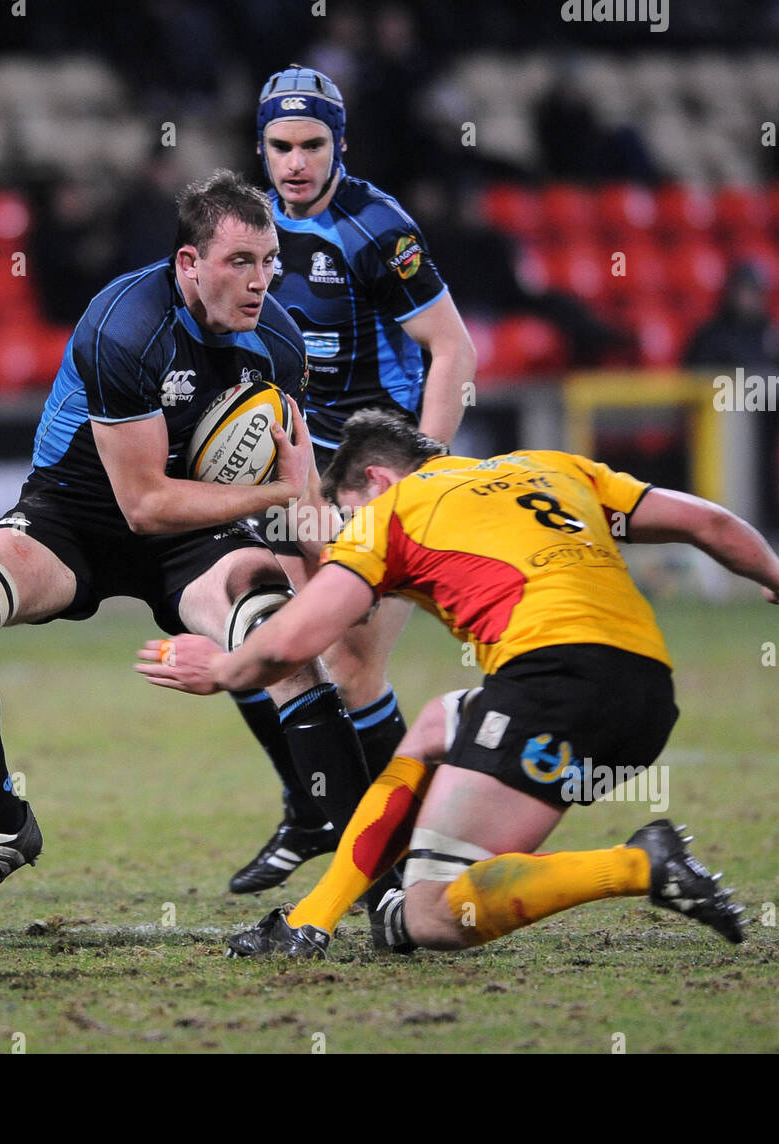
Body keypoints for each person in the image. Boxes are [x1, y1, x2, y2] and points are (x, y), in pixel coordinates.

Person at [137, 410, 779, 956]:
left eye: (346, 513)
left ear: (376, 481)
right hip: (643, 689)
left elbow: (295, 639)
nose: (345, 531)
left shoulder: (388, 515)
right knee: (437, 726)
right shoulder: (552, 469)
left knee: (432, 915)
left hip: (556, 688)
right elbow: (708, 522)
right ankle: (312, 922)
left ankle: (639, 864)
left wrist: (220, 669)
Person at [0, 170, 375, 923]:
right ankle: (5, 824)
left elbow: (297, 496)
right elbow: (143, 505)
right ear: (189, 264)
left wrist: (330, 584)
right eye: (240, 263)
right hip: (78, 516)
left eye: (270, 263)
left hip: (198, 533)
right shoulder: (124, 326)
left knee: (283, 639)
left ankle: (365, 861)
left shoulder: (280, 346)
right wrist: (277, 494)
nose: (261, 282)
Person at [226, 64, 477, 895]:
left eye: (311, 144)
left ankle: (395, 856)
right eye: (279, 145)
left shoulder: (376, 226)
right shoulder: (250, 223)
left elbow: (454, 350)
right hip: (298, 460)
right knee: (287, 640)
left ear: (340, 144)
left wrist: (421, 473)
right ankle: (323, 815)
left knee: (354, 660)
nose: (294, 161)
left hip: (375, 465)